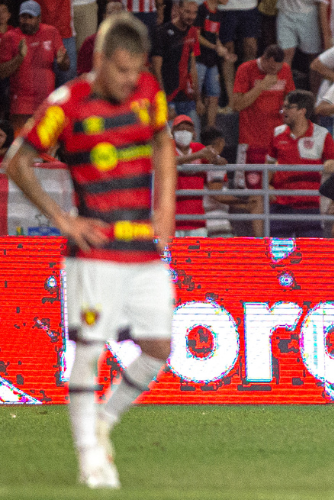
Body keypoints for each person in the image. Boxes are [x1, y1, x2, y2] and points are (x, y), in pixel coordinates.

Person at [4, 13, 176, 487]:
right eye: (120, 70)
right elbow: (16, 160)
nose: (128, 81)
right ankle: (89, 460)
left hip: (141, 246)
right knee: (90, 351)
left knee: (159, 348)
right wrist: (61, 219)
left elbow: (163, 141)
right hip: (95, 251)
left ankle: (105, 419)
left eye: (135, 71)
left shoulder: (148, 92)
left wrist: (166, 208)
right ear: (99, 60)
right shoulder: (66, 104)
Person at [231, 44, 294, 237]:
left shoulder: (285, 69)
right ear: (265, 59)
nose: (275, 72)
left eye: (278, 68)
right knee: (252, 196)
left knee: (279, 193)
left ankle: (278, 238)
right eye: (271, 68)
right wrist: (261, 87)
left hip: (277, 144)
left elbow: (291, 99)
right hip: (251, 143)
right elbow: (237, 105)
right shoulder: (246, 69)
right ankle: (257, 241)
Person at [267, 90, 334, 238]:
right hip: (281, 205)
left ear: (302, 111)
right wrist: (268, 186)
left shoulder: (322, 134)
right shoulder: (277, 133)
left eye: (288, 107)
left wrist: (332, 162)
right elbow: (268, 164)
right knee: (279, 256)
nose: (284, 111)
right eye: (284, 107)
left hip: (310, 206)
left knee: (310, 255)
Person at [0, 0, 70, 132]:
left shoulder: (51, 32)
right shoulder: (10, 37)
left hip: (47, 104)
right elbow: (2, 73)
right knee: (22, 148)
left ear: (39, 18)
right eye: (23, 17)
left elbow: (65, 67)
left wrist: (62, 61)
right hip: (21, 106)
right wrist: (19, 58)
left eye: (30, 17)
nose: (26, 21)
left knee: (47, 150)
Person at [151, 0, 201, 134]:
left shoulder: (193, 33)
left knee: (193, 139)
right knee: (171, 141)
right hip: (169, 97)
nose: (191, 16)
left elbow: (192, 67)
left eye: (194, 12)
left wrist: (198, 99)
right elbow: (156, 69)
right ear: (178, 10)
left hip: (186, 97)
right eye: (187, 12)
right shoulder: (162, 33)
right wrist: (162, 102)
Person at [173, 114, 225, 237]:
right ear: (172, 131)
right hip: (173, 221)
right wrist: (198, 156)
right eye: (180, 129)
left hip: (197, 220)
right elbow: (168, 161)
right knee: (173, 256)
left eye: (188, 129)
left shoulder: (199, 148)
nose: (184, 132)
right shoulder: (168, 147)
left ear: (194, 133)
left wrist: (216, 158)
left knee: (198, 256)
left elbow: (221, 161)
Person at [195, 0, 238, 129]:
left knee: (214, 95)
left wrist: (224, 52)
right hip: (199, 59)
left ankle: (211, 129)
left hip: (211, 60)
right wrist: (215, 47)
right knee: (197, 97)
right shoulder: (201, 10)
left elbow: (215, 36)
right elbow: (196, 36)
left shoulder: (218, 13)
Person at [77, 1, 125, 75]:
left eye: (119, 13)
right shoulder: (90, 42)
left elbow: (142, 70)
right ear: (104, 16)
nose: (115, 16)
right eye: (110, 12)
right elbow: (83, 75)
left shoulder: (133, 41)